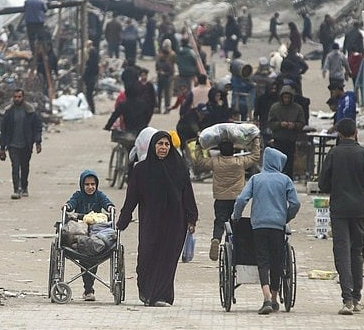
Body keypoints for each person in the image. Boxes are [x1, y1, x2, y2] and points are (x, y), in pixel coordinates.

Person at [117, 131, 198, 307]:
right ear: (153, 146)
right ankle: (146, 292)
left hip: (175, 222)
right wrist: (123, 220)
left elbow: (187, 195)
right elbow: (132, 197)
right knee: (146, 257)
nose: (163, 147)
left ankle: (161, 296)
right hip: (150, 222)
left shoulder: (179, 168)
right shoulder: (141, 170)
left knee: (167, 259)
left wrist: (192, 218)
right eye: (160, 144)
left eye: (167, 144)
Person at [319, 119, 364, 315]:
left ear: (339, 134)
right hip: (360, 209)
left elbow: (323, 184)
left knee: (342, 252)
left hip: (339, 209)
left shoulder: (333, 154)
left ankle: (346, 299)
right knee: (357, 251)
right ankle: (356, 297)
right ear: (356, 132)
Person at [232, 147, 301, 315]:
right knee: (277, 259)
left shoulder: (256, 179)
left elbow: (241, 199)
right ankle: (275, 297)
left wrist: (236, 216)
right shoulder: (285, 180)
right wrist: (286, 218)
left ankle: (266, 297)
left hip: (259, 225)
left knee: (262, 260)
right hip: (278, 225)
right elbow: (295, 203)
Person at [192, 134, 262, 261]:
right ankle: (234, 244)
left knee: (219, 220)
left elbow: (200, 162)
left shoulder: (215, 162)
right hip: (237, 198)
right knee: (235, 221)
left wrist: (198, 146)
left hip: (220, 197)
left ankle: (216, 238)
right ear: (234, 150)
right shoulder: (240, 162)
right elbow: (255, 156)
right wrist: (255, 141)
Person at [64, 170, 116, 301]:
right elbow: (71, 204)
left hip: (95, 232)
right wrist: (68, 206)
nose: (90, 187)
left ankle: (89, 288)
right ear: (82, 185)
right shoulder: (78, 195)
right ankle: (88, 289)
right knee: (85, 259)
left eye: (93, 184)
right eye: (87, 184)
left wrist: (110, 207)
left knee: (93, 258)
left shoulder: (99, 195)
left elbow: (107, 203)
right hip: (80, 231)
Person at [0, 89, 43, 199]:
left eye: (19, 97)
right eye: (15, 97)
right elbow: (3, 130)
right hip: (12, 145)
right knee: (15, 167)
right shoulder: (9, 112)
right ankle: (16, 189)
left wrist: (38, 142)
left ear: (23, 97)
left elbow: (37, 128)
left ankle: (24, 187)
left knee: (25, 167)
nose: (17, 99)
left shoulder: (30, 112)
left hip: (26, 144)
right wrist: (2, 148)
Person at [268, 85, 306, 179]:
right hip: (278, 139)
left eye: (288, 97)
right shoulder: (275, 107)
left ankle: (288, 180)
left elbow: (302, 123)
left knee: (289, 163)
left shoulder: (297, 108)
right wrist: (280, 124)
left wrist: (294, 126)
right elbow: (270, 123)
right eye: (285, 97)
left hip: (291, 140)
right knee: (277, 162)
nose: (286, 99)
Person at [155, 39, 176, 112]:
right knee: (162, 93)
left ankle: (166, 107)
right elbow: (157, 66)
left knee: (166, 93)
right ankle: (161, 107)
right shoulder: (170, 54)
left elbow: (172, 66)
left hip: (167, 76)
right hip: (163, 76)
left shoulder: (172, 55)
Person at [82, 40, 100, 114]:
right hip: (92, 75)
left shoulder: (91, 53)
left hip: (90, 76)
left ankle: (91, 109)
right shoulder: (95, 53)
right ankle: (91, 109)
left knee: (89, 94)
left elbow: (89, 66)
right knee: (89, 94)